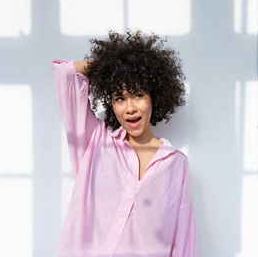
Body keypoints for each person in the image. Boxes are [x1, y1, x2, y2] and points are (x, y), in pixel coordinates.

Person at [52, 29, 198, 257]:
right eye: (119, 98)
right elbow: (66, 74)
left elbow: (183, 242)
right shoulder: (95, 141)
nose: (130, 108)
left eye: (138, 94)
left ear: (154, 97)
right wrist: (115, 65)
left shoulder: (176, 164)